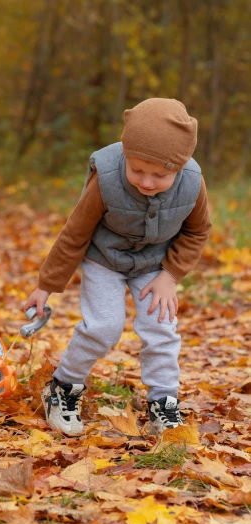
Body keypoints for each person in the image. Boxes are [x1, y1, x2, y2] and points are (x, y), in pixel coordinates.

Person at [23, 98, 212, 436]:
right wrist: (46, 285)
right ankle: (62, 387)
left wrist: (170, 276)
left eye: (161, 175)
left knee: (161, 326)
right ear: (124, 154)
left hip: (155, 264)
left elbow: (197, 231)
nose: (147, 182)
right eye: (137, 169)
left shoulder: (193, 184)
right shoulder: (107, 177)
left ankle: (163, 401)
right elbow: (75, 233)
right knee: (103, 327)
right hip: (104, 259)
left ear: (180, 168)